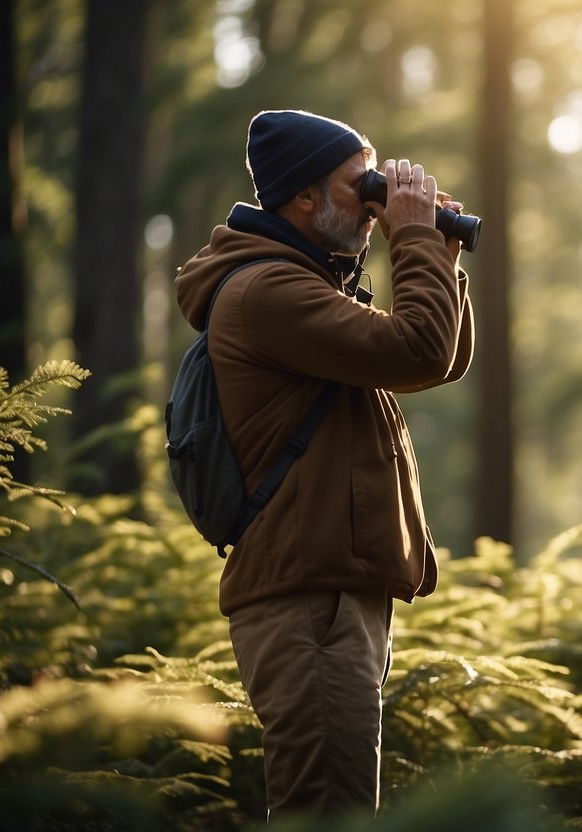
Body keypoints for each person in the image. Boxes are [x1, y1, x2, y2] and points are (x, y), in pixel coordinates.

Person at [174, 109, 474, 820]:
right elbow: (417, 351)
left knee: (334, 807)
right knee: (327, 813)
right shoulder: (267, 292)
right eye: (357, 186)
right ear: (303, 198)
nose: (372, 205)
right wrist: (414, 240)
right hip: (310, 600)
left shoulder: (299, 285)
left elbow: (438, 360)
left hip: (327, 594)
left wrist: (438, 252)